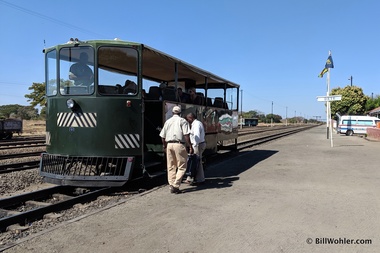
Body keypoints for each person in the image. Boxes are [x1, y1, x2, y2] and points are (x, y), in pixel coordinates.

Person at [159, 106, 193, 194]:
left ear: (173, 113)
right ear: (180, 113)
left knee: (171, 166)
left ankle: (171, 184)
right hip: (179, 144)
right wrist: (190, 146)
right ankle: (176, 185)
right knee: (182, 166)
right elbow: (186, 135)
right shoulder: (182, 121)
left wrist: (164, 146)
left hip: (169, 144)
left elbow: (162, 136)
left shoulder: (168, 121)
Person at [185, 112, 206, 185]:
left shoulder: (196, 125)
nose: (187, 120)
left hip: (197, 145)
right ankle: (196, 178)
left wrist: (194, 146)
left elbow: (197, 136)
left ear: (191, 118)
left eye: (188, 119)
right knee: (196, 162)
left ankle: (200, 179)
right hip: (198, 144)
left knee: (197, 162)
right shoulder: (196, 124)